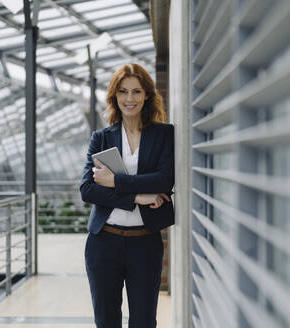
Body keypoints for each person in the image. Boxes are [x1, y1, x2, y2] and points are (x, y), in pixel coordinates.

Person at [80, 63, 174, 328]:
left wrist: (115, 181)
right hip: (103, 244)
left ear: (146, 95)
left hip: (145, 244)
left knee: (144, 322)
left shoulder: (165, 135)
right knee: (106, 322)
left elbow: (165, 180)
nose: (129, 99)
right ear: (115, 96)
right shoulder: (101, 138)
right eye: (123, 92)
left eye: (136, 91)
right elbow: (88, 189)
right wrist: (136, 197)